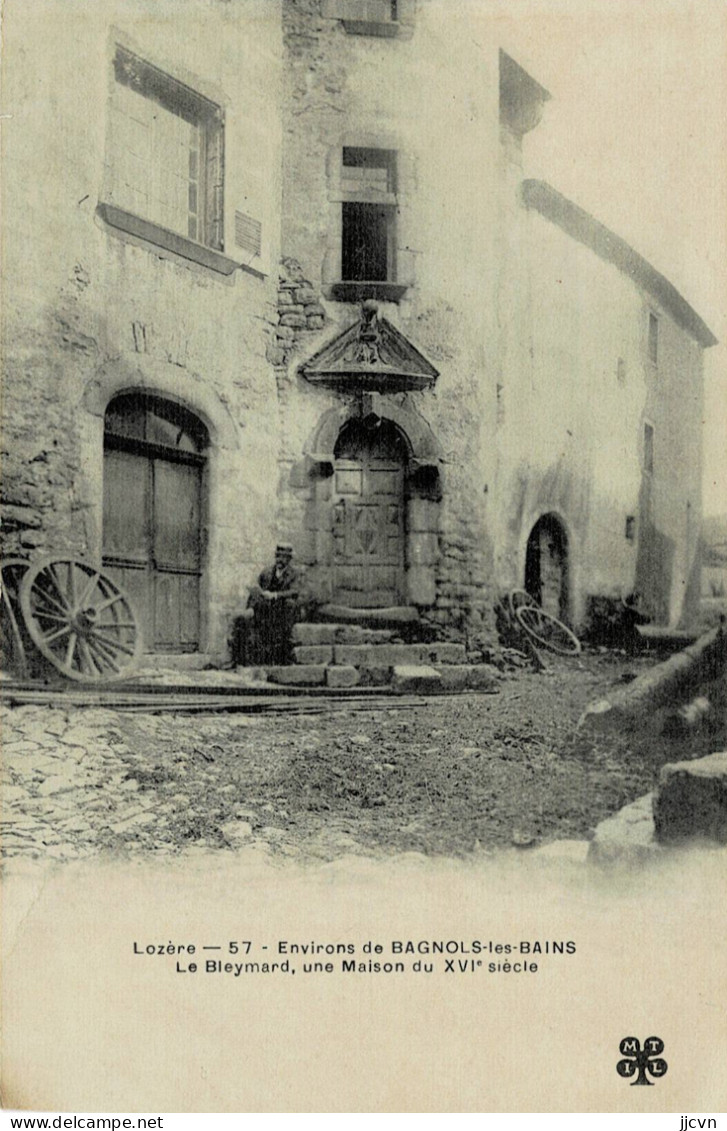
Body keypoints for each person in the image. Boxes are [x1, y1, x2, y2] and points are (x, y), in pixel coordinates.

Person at [246, 544, 301, 664]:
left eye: (283, 557)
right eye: (278, 556)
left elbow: (294, 591)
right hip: (268, 610)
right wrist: (250, 607)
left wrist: (275, 595)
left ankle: (283, 656)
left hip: (284, 610)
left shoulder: (294, 574)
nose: (280, 560)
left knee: (289, 606)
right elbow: (256, 590)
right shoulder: (267, 572)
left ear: (289, 559)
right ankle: (260, 658)